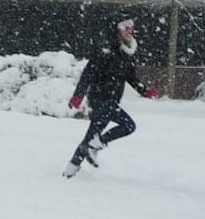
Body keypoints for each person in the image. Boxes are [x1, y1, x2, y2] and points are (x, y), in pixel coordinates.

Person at [63, 18, 159, 178]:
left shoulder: (127, 52)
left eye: (131, 28)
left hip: (112, 101)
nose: (130, 30)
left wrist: (145, 91)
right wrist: (78, 95)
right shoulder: (105, 50)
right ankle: (93, 148)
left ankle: (72, 168)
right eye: (126, 27)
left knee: (93, 136)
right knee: (128, 125)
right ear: (117, 29)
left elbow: (131, 77)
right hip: (100, 99)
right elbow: (88, 73)